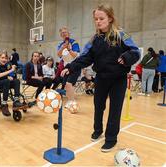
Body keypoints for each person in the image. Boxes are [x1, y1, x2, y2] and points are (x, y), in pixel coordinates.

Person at [61, 4, 140, 152]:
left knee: (115, 110)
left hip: (119, 79)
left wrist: (126, 57)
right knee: (98, 106)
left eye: (101, 18)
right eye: (96, 19)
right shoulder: (94, 40)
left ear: (110, 18)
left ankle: (111, 139)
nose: (98, 21)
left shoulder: (122, 35)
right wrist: (69, 67)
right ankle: (98, 131)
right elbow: (85, 58)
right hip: (101, 78)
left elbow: (135, 52)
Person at [57, 27, 81, 107]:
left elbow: (76, 55)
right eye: (62, 33)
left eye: (65, 32)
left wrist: (69, 49)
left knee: (69, 83)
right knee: (67, 85)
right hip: (66, 67)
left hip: (75, 66)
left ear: (68, 33)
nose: (64, 34)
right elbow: (59, 55)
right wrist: (63, 48)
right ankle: (70, 101)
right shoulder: (60, 45)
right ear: (61, 35)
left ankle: (72, 102)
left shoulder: (74, 43)